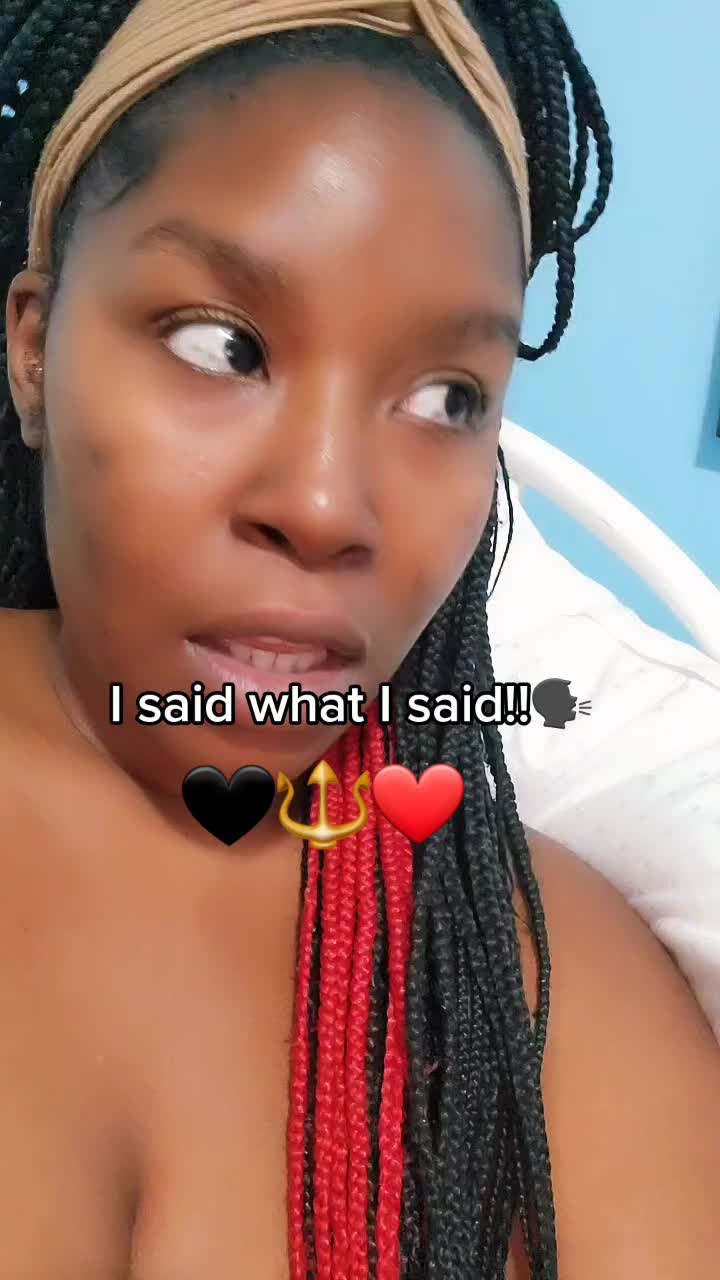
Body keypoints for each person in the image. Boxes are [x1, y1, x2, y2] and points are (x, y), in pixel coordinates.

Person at [0, 1, 718, 1277]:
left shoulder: (542, 989)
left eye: (447, 398)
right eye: (224, 346)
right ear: (33, 346)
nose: (330, 504)